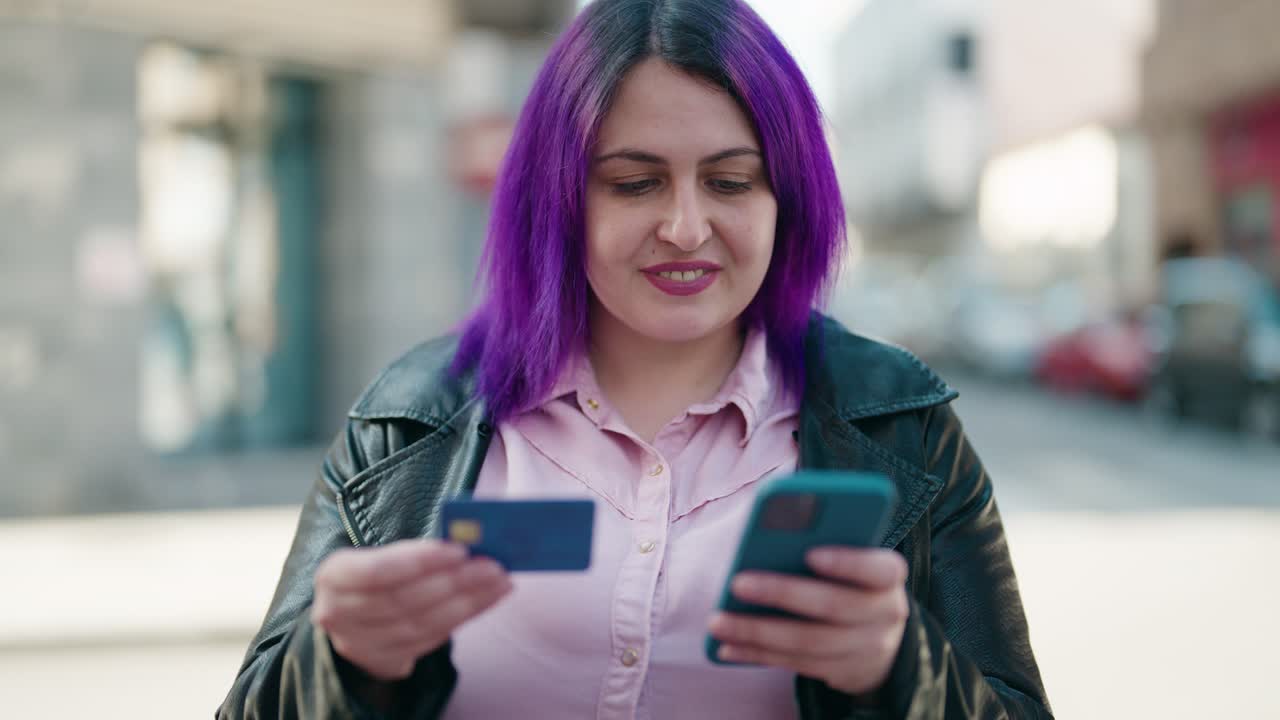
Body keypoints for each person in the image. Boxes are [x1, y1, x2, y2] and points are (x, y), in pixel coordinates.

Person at [218, 1, 1052, 718]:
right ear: (559, 199)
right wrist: (339, 664)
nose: (687, 228)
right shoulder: (408, 420)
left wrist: (903, 669)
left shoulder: (903, 422)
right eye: (634, 183)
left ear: (786, 198)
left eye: (730, 183)